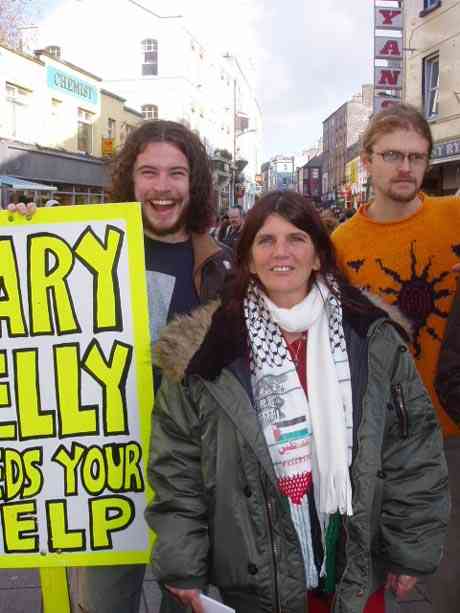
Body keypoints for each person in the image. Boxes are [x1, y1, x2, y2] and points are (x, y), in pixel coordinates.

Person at [146, 190, 448, 613]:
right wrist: (183, 563)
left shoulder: (372, 338)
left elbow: (412, 448)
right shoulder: (205, 349)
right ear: (248, 259)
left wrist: (410, 547)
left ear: (319, 255)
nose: (280, 252)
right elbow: (176, 468)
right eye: (266, 241)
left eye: (296, 238)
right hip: (255, 579)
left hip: (355, 566)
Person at [9, 120, 232, 613]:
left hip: (189, 480)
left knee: (186, 601)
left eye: (176, 173)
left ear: (193, 182)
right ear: (129, 180)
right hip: (105, 471)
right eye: (148, 171)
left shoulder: (221, 268)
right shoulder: (81, 247)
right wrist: (22, 239)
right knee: (104, 604)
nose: (162, 186)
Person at [331, 103, 460, 612]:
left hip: (453, 431)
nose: (405, 168)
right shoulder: (341, 244)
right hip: (382, 440)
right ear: (367, 161)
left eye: (416, 157)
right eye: (392, 156)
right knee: (382, 582)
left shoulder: (454, 217)